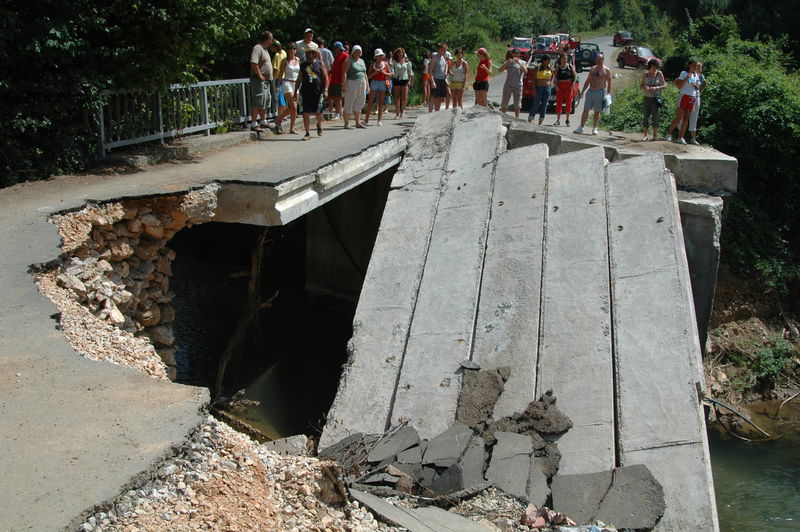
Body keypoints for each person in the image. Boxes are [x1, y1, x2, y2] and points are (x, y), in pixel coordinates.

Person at [294, 42, 328, 139]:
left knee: (318, 112)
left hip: (317, 91)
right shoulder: (303, 65)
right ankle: (307, 133)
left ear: (314, 54)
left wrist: (325, 89)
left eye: (310, 53)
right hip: (306, 91)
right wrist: (296, 91)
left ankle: (319, 125)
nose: (308, 55)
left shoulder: (320, 64)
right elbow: (299, 78)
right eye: (307, 53)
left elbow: (325, 78)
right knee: (306, 112)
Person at [574, 52, 611, 135]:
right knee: (585, 110)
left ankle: (595, 128)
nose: (598, 61)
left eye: (600, 59)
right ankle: (581, 127)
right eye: (597, 59)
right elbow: (588, 80)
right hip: (590, 91)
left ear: (603, 60)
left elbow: (609, 83)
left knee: (597, 111)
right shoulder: (593, 69)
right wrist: (583, 91)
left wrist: (608, 95)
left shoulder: (606, 70)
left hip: (600, 91)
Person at [666, 59, 701, 145]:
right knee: (679, 117)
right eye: (694, 65)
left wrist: (696, 85)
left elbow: (697, 88)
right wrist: (686, 78)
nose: (695, 67)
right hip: (684, 95)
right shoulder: (684, 73)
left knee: (686, 119)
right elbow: (679, 85)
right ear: (689, 65)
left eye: (696, 66)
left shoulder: (696, 75)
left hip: (692, 97)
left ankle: (680, 137)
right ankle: (669, 134)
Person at [249, 31, 274, 131]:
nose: (272, 41)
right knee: (257, 100)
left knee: (265, 100)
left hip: (266, 81)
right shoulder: (257, 48)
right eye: (271, 39)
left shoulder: (265, 49)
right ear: (267, 39)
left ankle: (263, 121)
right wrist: (259, 75)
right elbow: (253, 62)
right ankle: (254, 124)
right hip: (258, 80)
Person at [342, 45, 368, 129]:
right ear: (353, 52)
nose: (358, 53)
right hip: (352, 83)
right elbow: (344, 72)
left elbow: (365, 74)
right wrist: (344, 84)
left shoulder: (362, 61)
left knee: (360, 101)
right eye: (356, 51)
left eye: (359, 52)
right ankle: (346, 123)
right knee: (349, 102)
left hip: (362, 83)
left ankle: (358, 122)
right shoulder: (349, 60)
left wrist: (367, 85)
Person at [276, 42, 300, 134]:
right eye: (290, 49)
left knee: (295, 108)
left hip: (296, 84)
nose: (292, 51)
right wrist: (278, 86)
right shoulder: (284, 61)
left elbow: (300, 74)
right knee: (293, 106)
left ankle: (292, 128)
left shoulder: (298, 60)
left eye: (294, 49)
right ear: (287, 50)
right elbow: (280, 74)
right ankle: (279, 119)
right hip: (287, 83)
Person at [640, 58, 665, 141]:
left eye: (656, 67)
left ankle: (655, 135)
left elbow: (664, 85)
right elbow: (641, 86)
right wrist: (645, 87)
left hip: (656, 98)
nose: (654, 69)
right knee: (646, 115)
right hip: (647, 97)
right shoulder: (645, 74)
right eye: (653, 67)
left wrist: (656, 88)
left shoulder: (659, 74)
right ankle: (645, 135)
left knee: (655, 115)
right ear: (649, 67)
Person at [498, 48, 526, 118]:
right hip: (508, 85)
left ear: (519, 54)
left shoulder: (522, 62)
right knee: (504, 103)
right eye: (514, 54)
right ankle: (502, 117)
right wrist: (506, 63)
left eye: (517, 54)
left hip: (518, 85)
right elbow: (500, 70)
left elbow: (525, 71)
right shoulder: (508, 62)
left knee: (517, 104)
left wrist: (518, 63)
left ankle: (517, 118)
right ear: (512, 54)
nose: (515, 55)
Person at [365, 49, 391, 125]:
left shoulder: (386, 64)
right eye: (378, 56)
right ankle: (366, 120)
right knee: (370, 102)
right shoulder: (372, 64)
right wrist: (375, 73)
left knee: (381, 102)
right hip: (374, 82)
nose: (380, 57)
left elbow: (390, 74)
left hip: (383, 83)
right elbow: (369, 76)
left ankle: (379, 120)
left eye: (381, 56)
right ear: (375, 57)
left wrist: (384, 73)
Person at [684, 61, 706, 144]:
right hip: (689, 96)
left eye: (700, 67)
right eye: (698, 67)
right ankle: (681, 135)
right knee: (684, 117)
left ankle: (693, 138)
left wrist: (700, 89)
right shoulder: (690, 74)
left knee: (694, 117)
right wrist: (697, 87)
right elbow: (692, 83)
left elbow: (704, 84)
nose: (699, 69)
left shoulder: (700, 76)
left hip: (696, 97)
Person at [528, 55, 553, 125]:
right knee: (536, 103)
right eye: (547, 60)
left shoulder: (549, 67)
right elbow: (533, 79)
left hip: (547, 88)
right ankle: (531, 118)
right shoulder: (538, 67)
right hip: (539, 88)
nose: (548, 62)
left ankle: (541, 120)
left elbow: (553, 76)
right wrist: (534, 89)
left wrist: (551, 82)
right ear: (544, 60)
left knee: (544, 105)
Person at [553, 53, 576, 126]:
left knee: (568, 103)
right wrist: (555, 85)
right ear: (560, 59)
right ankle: (558, 120)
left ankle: (567, 120)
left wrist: (573, 84)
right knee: (559, 103)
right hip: (560, 86)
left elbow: (575, 76)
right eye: (563, 58)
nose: (564, 59)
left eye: (565, 58)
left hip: (568, 86)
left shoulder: (570, 66)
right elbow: (554, 78)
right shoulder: (558, 67)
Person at [328, 41, 349, 120]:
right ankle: (340, 110)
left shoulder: (345, 55)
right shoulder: (337, 56)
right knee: (334, 96)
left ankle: (338, 113)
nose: (334, 50)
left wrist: (344, 82)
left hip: (340, 80)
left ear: (338, 48)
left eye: (335, 48)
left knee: (338, 97)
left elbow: (346, 68)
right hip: (334, 80)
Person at [390, 48, 413, 118]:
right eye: (398, 53)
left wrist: (410, 81)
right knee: (396, 98)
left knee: (404, 98)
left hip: (405, 79)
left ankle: (402, 111)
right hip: (397, 79)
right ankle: (397, 113)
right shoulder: (394, 61)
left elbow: (410, 72)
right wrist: (391, 57)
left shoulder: (407, 62)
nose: (400, 54)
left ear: (403, 54)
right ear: (396, 54)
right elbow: (391, 67)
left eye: (401, 53)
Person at [428, 43, 449, 112]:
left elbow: (446, 65)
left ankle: (437, 113)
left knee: (440, 98)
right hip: (435, 79)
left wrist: (446, 72)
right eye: (444, 50)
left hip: (442, 79)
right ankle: (430, 114)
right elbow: (430, 71)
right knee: (433, 98)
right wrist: (432, 82)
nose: (445, 51)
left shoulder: (444, 58)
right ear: (440, 49)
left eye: (446, 50)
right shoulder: (434, 58)